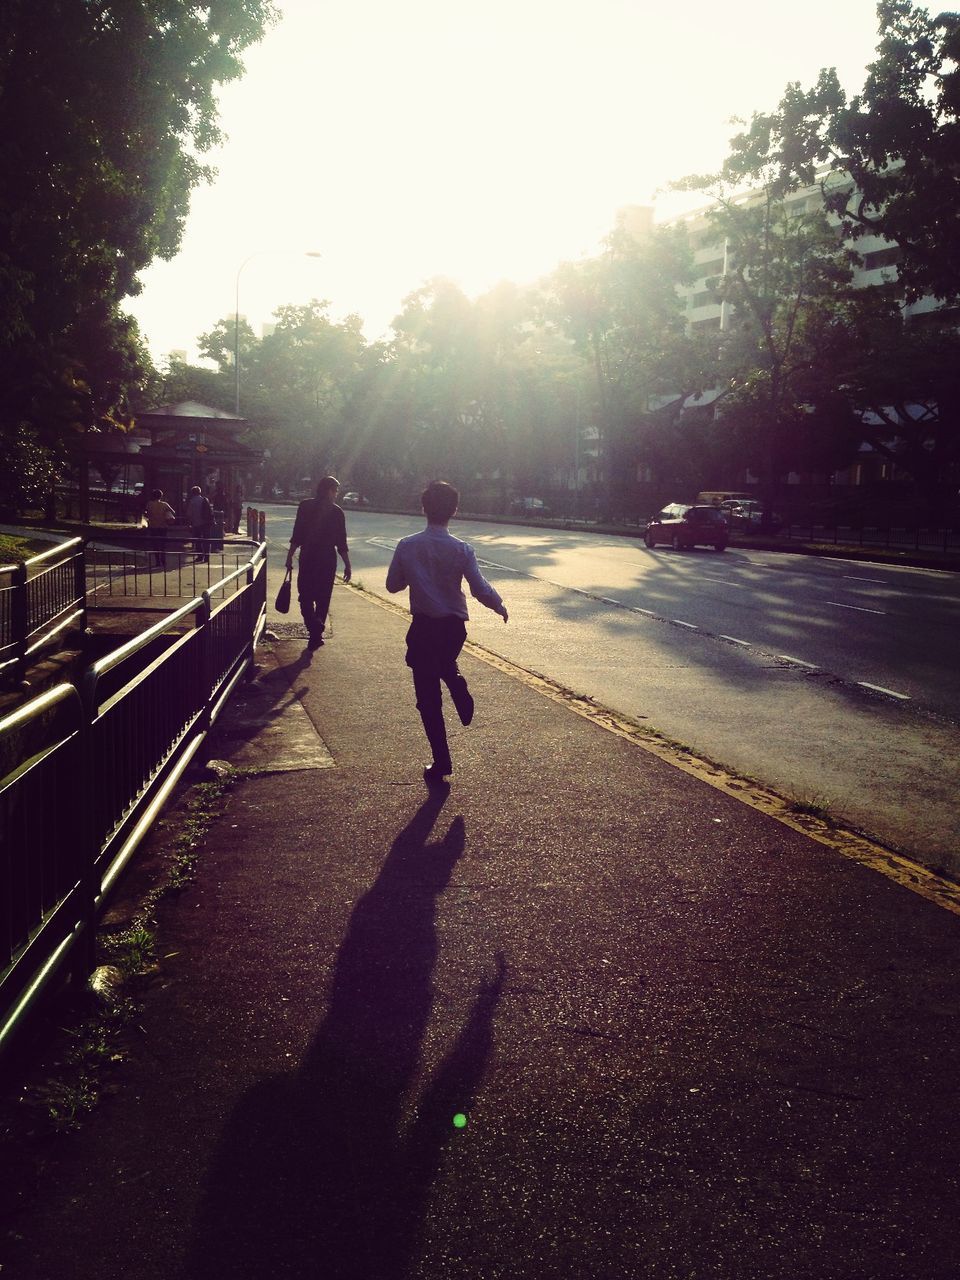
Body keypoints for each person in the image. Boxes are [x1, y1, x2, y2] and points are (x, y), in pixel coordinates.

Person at [386, 480, 508, 787]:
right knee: (444, 662)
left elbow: (392, 585)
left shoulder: (407, 546)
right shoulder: (462, 549)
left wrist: (413, 576)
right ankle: (455, 681)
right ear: (454, 510)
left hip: (424, 627)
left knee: (427, 699)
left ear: (423, 508)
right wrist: (499, 605)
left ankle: (441, 762)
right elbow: (479, 589)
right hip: (454, 629)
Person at [285, 476, 352, 650]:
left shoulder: (305, 506)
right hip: (327, 559)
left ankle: (313, 627)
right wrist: (347, 564)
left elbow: (297, 534)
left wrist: (290, 555)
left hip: (308, 557)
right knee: (323, 598)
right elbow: (341, 543)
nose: (336, 494)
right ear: (329, 490)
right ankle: (317, 632)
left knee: (305, 596)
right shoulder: (337, 512)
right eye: (335, 491)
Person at [144, 489, 176, 568]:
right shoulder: (164, 504)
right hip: (163, 527)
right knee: (162, 544)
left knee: (155, 545)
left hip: (153, 526)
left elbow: (147, 514)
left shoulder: (149, 504)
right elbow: (173, 512)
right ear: (161, 496)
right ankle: (163, 561)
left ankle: (157, 561)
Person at [185, 485, 214, 563]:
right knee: (206, 540)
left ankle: (200, 556)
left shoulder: (192, 501)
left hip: (196, 523)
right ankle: (207, 557)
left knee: (198, 540)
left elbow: (189, 514)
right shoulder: (205, 499)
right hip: (206, 523)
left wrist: (189, 524)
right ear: (200, 492)